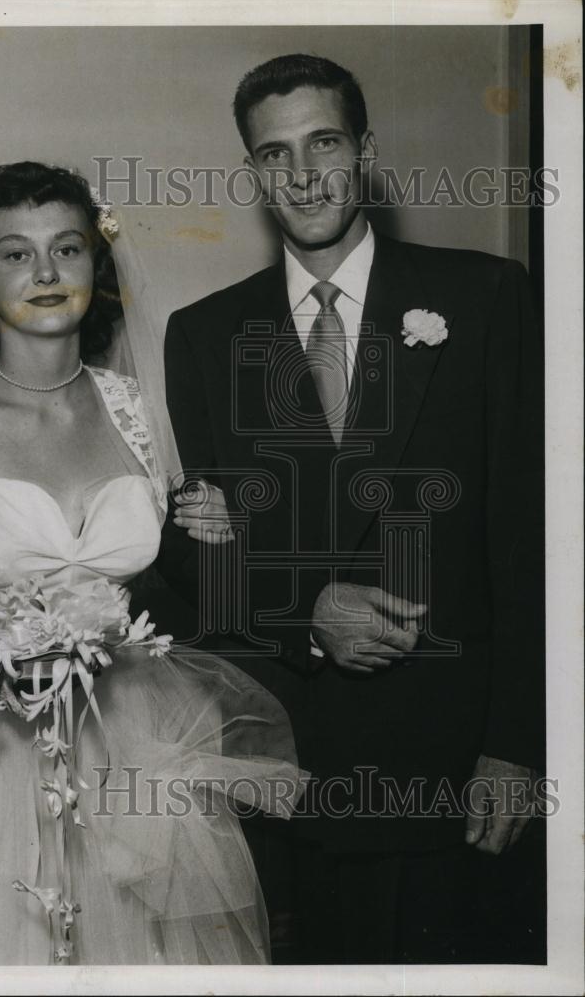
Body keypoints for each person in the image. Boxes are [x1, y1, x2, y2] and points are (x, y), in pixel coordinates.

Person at [0, 161, 306, 966]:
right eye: (16, 254)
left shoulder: (144, 409)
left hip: (124, 735)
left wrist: (215, 532)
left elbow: (189, 583)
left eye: (67, 248)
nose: (47, 273)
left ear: (98, 260)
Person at [160, 54, 545, 964]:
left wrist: (516, 747)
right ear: (252, 173)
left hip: (458, 755)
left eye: (322, 142)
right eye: (273, 154)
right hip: (302, 762)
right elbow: (205, 552)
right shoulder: (204, 334)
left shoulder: (485, 297)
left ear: (364, 152)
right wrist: (303, 616)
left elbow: (533, 537)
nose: (300, 174)